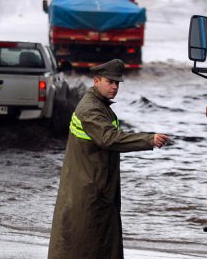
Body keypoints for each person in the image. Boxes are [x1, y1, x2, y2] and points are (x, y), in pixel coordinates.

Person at [48, 59, 170, 259]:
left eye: (118, 83)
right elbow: (110, 138)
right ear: (97, 81)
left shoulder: (99, 105)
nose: (115, 87)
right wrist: (149, 139)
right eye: (110, 82)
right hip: (88, 190)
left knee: (97, 243)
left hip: (95, 186)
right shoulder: (90, 109)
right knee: (83, 245)